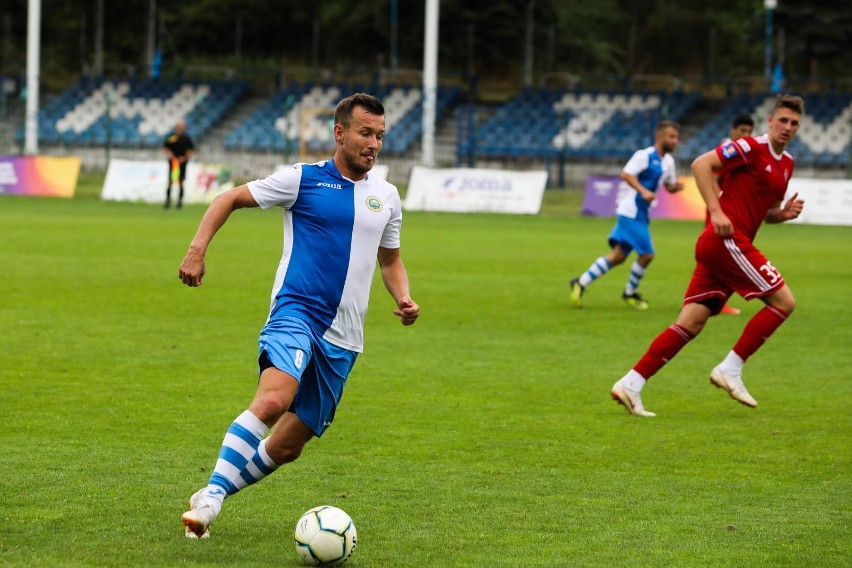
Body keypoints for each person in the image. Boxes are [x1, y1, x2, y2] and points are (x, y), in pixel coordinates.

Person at [177, 93, 420, 538]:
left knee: (288, 446)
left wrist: (403, 296)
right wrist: (197, 250)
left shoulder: (386, 196)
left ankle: (215, 491)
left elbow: (390, 261)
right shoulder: (302, 180)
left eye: (380, 136)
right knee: (273, 399)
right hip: (297, 311)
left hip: (345, 338)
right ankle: (211, 498)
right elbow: (227, 199)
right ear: (340, 132)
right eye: (365, 133)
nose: (374, 144)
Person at [610, 94, 805, 417]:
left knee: (691, 321)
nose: (787, 127)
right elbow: (702, 164)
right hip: (726, 240)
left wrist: (782, 214)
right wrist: (716, 211)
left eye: (794, 123)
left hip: (723, 247)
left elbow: (766, 211)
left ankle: (631, 384)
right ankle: (730, 369)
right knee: (785, 303)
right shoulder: (750, 147)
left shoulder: (787, 164)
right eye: (782, 120)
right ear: (770, 121)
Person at [570, 121, 684, 310]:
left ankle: (579, 283)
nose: (675, 141)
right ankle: (629, 293)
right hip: (631, 211)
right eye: (671, 136)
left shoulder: (669, 162)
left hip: (641, 213)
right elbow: (626, 174)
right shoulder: (644, 155)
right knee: (647, 254)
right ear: (660, 136)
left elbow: (668, 186)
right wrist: (643, 191)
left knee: (618, 256)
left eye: (676, 137)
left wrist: (675, 188)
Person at [717, 114, 755, 315]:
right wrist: (717, 206)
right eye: (742, 130)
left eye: (749, 132)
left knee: (720, 254)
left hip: (729, 209)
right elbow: (713, 176)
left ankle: (709, 300)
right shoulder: (728, 150)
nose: (746, 135)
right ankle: (720, 301)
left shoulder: (743, 150)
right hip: (721, 210)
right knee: (724, 254)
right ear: (732, 129)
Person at [163, 119, 195, 209]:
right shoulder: (171, 137)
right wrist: (171, 156)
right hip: (173, 163)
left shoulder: (187, 138)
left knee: (181, 182)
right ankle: (168, 201)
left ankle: (179, 203)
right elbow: (165, 147)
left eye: (182, 126)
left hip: (182, 163)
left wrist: (184, 158)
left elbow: (191, 150)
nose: (181, 128)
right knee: (170, 181)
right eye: (179, 126)